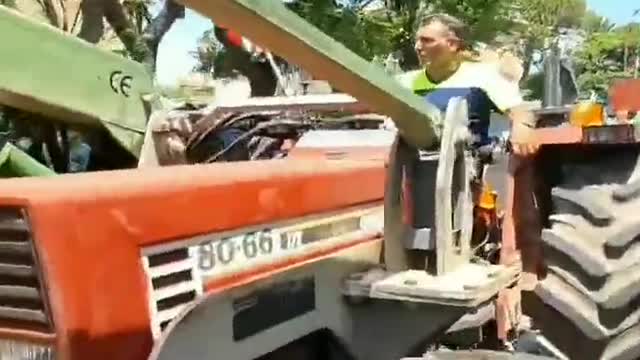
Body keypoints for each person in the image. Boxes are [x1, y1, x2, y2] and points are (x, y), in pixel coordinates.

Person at [396, 13, 538, 156]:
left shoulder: (484, 76)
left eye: (427, 41)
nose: (417, 47)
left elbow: (519, 110)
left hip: (469, 166)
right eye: (417, 40)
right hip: (410, 166)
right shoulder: (404, 82)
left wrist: (522, 127)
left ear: (452, 44)